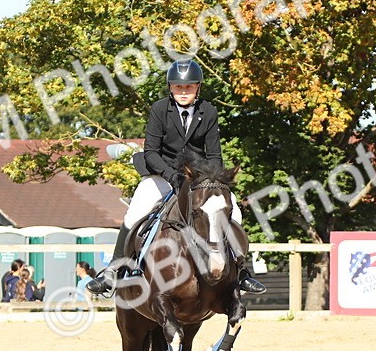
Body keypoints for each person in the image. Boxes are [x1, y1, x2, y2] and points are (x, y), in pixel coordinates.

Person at [86, 59, 266, 296]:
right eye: (179, 87)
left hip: (198, 177)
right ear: (171, 88)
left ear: (197, 88)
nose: (184, 92)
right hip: (162, 172)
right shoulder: (160, 109)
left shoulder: (208, 111)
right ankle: (113, 270)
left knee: (235, 211)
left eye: (189, 87)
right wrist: (172, 176)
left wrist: (212, 181)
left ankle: (241, 272)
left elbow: (214, 155)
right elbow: (151, 152)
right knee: (136, 211)